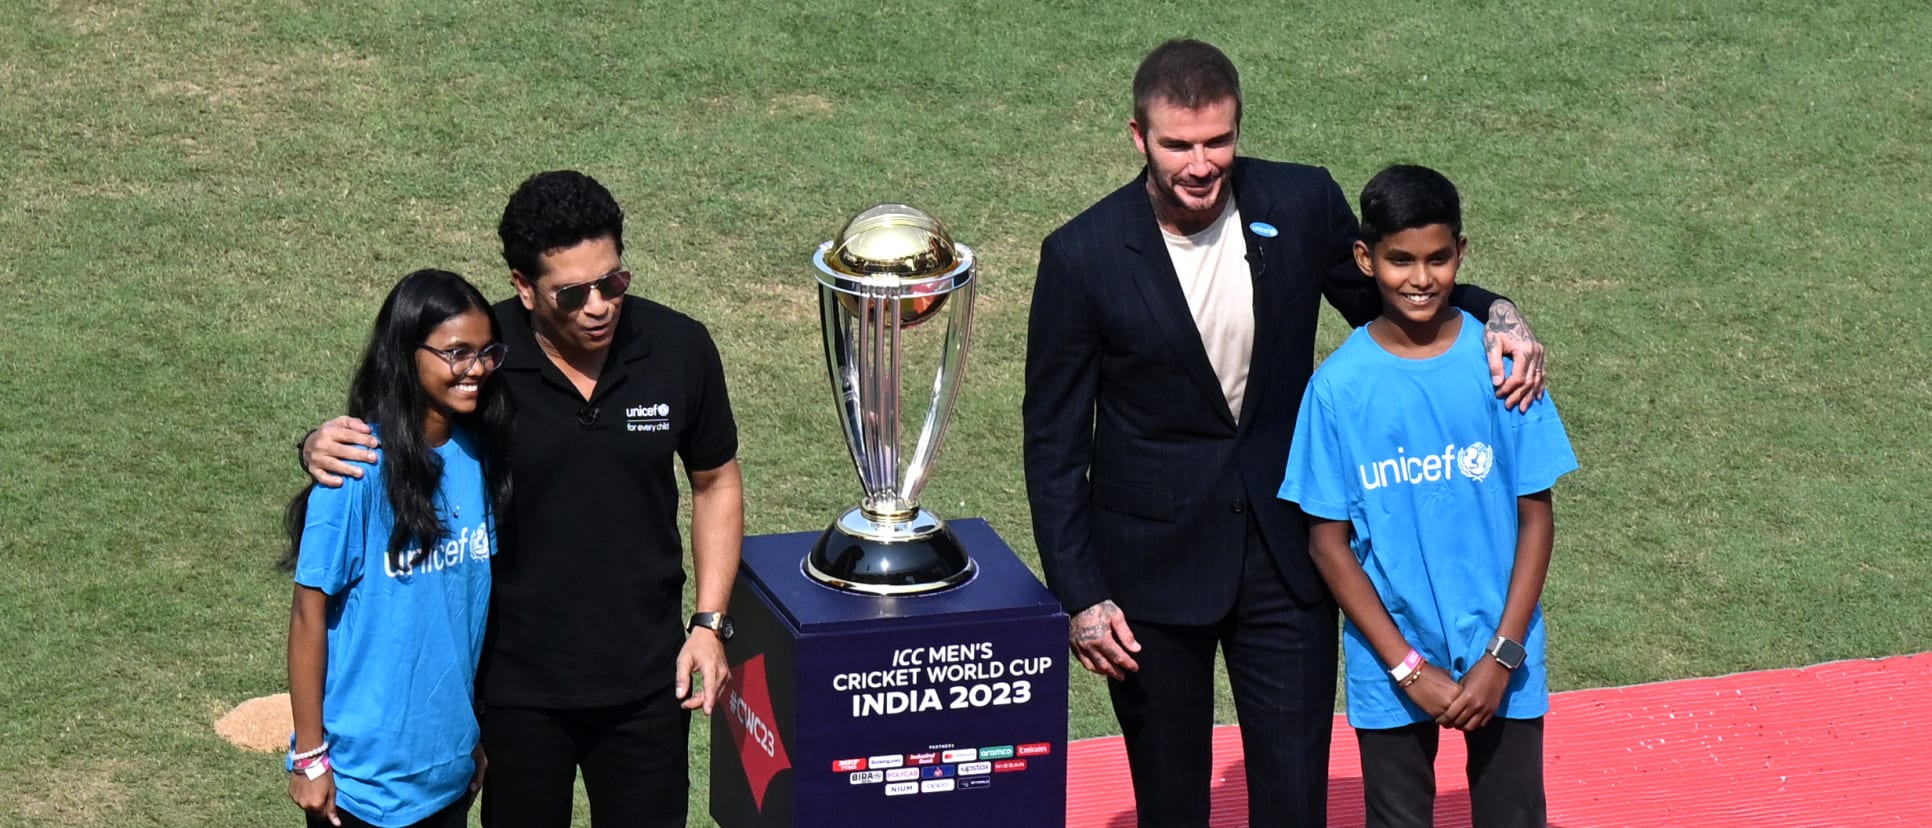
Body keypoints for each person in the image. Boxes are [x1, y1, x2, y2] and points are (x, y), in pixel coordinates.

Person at [1021, 40, 1548, 827]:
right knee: (1170, 803)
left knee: (1296, 799)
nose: (1200, 164)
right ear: (1138, 138)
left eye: (1217, 141)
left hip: (1286, 560)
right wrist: (1082, 595)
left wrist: (1500, 313)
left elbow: (1393, 293)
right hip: (1149, 580)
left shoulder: (1299, 203)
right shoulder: (1081, 255)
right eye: (1178, 145)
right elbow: (1054, 439)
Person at [301, 171, 744, 828]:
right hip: (513, 692)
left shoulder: (679, 349)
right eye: (573, 293)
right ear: (523, 287)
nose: (600, 305)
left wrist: (708, 625)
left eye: (613, 281)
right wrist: (316, 442)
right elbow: (399, 423)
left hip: (649, 682)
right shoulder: (485, 361)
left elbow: (716, 482)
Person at [1279, 164, 1578, 827]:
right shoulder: (1336, 390)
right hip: (1390, 666)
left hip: (1506, 659)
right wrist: (1410, 669)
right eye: (1400, 260)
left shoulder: (1506, 369)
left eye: (1438, 258)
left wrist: (1502, 656)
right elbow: (1328, 547)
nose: (1420, 277)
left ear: (1461, 254)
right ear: (1365, 259)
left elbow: (1537, 519)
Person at [284, 269, 513, 827]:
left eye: (486, 352)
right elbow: (308, 613)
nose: (476, 369)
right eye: (457, 352)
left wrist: (468, 734)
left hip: (450, 776)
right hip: (364, 787)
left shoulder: (481, 457)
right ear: (406, 354)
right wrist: (309, 755)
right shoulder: (354, 469)